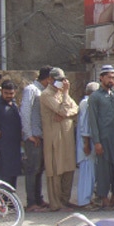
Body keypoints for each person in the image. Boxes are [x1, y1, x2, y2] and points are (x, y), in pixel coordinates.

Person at [40, 67, 79, 211]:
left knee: (68, 167)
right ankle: (56, 203)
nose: (62, 83)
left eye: (63, 80)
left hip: (66, 135)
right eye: (58, 80)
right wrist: (66, 99)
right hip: (54, 137)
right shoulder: (46, 95)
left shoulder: (62, 94)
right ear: (50, 80)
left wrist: (65, 114)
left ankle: (65, 199)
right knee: (56, 169)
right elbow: (62, 109)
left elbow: (75, 108)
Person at [88, 65, 114, 209]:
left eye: (113, 77)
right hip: (103, 139)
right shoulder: (95, 97)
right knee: (104, 169)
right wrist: (96, 141)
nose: (111, 80)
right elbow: (93, 121)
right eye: (109, 77)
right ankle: (103, 197)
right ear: (101, 78)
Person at [20, 66, 52, 212]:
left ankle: (38, 199)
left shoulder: (43, 91)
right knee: (32, 169)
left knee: (39, 169)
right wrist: (29, 134)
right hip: (33, 137)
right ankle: (31, 202)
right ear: (48, 78)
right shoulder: (31, 90)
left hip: (40, 136)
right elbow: (25, 112)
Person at [76, 82, 99, 209]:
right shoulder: (86, 103)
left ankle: (87, 199)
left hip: (89, 142)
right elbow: (85, 125)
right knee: (87, 172)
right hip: (86, 143)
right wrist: (86, 144)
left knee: (90, 172)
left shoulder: (88, 102)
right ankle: (84, 201)